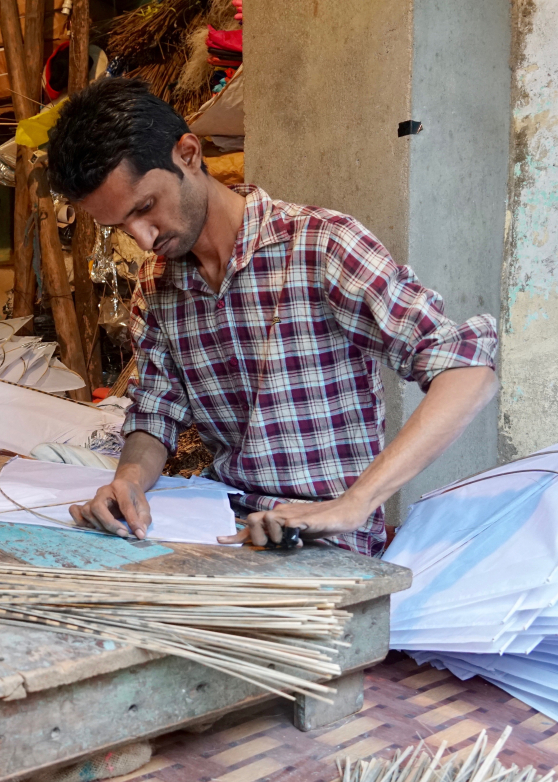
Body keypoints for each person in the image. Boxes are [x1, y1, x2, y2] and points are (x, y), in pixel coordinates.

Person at [47, 78, 499, 555]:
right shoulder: (157, 285)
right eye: (120, 226)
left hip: (323, 541)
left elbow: (467, 369)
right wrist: (130, 482)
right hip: (221, 527)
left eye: (145, 208)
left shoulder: (321, 246)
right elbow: (156, 410)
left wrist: (356, 502)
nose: (141, 237)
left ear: (188, 153)